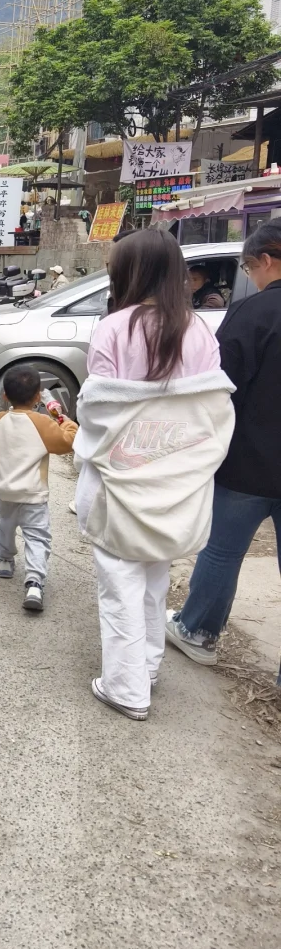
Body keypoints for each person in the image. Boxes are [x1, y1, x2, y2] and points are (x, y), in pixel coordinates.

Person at [73, 229, 235, 720]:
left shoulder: (113, 328)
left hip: (120, 477)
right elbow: (208, 409)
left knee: (119, 581)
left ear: (129, 272)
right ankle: (146, 668)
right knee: (154, 575)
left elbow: (98, 408)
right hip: (177, 478)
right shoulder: (198, 329)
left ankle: (126, 688)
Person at [166, 221, 281, 674]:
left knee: (222, 551)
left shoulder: (252, 313)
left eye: (249, 267)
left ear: (266, 260)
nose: (251, 275)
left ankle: (198, 631)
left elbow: (221, 389)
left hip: (248, 462)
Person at [0, 366, 77, 612]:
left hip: (5, 491)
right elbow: (67, 442)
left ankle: (5, 560)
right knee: (37, 536)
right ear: (38, 396)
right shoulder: (43, 423)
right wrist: (66, 422)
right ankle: (34, 582)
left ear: (5, 395)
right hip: (34, 494)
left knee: (6, 524)